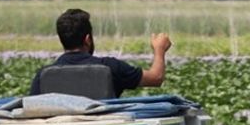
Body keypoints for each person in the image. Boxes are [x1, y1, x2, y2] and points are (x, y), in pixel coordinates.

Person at [29, 8, 171, 98]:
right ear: (88, 39)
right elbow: (156, 78)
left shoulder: (44, 75)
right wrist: (159, 50)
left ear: (62, 39)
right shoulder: (111, 67)